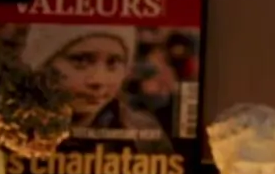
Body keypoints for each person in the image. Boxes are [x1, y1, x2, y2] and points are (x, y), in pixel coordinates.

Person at [20, 23, 172, 153]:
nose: (98, 80)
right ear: (41, 65)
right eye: (80, 60)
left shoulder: (145, 135)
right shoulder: (11, 132)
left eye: (113, 63)